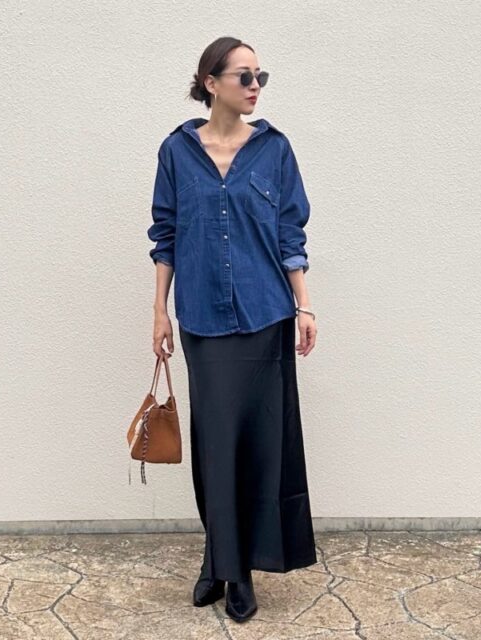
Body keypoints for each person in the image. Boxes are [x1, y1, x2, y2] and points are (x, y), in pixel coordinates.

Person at [147, 36, 318, 624]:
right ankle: (224, 564)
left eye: (259, 76)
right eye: (244, 75)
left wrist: (305, 307)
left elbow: (290, 233)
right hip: (202, 319)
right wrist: (159, 311)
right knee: (216, 446)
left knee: (259, 446)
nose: (255, 86)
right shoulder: (177, 151)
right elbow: (165, 234)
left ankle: (234, 564)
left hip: (265, 315)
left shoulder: (275, 150)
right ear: (211, 82)